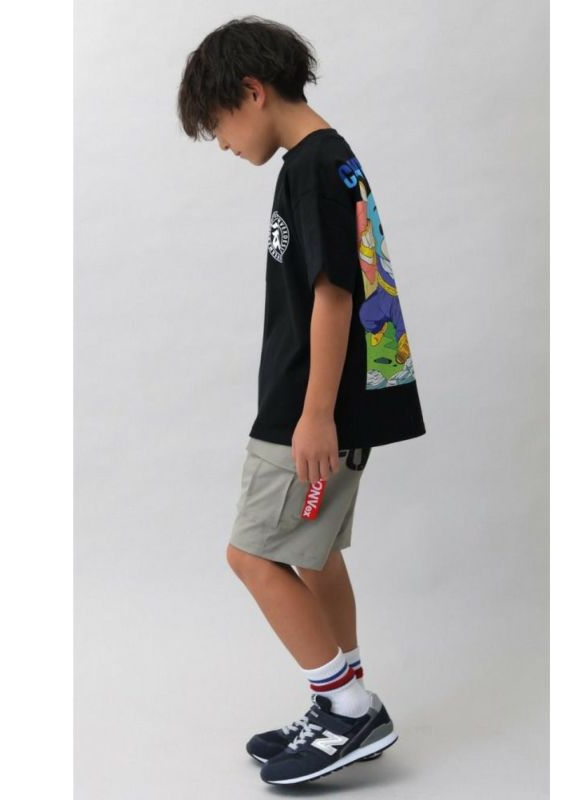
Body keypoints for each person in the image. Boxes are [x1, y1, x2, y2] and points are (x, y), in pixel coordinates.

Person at [177, 15, 426, 786]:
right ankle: (340, 702)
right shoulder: (329, 159)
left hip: (309, 411)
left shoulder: (313, 167)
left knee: (251, 555)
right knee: (314, 557)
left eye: (218, 123)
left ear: (252, 91)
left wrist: (315, 414)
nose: (222, 143)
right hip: (331, 403)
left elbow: (334, 293)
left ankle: (348, 709)